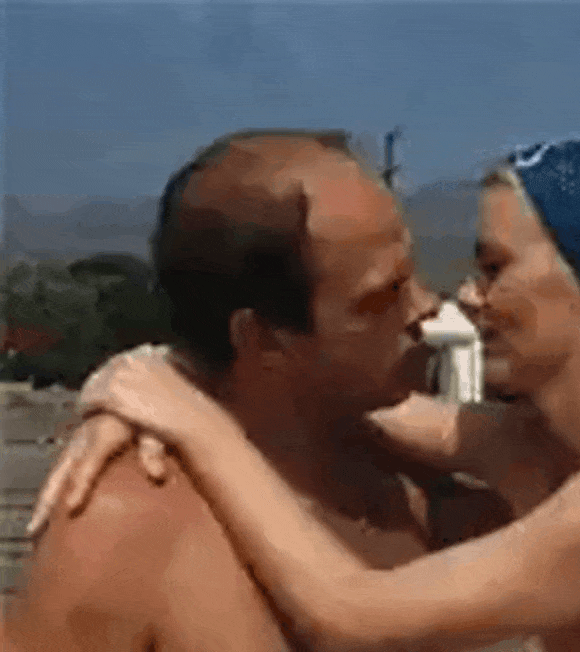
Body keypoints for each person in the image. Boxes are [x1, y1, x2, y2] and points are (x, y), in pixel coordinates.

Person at [29, 132, 580, 651]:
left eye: (493, 267)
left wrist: (190, 418)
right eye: (383, 295)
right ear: (264, 336)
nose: (452, 301)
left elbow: (354, 614)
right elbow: (369, 412)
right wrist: (155, 377)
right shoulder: (545, 453)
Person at [3, 129, 517, 652]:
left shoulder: (422, 492)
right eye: (381, 298)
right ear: (264, 338)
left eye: (413, 275)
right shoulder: (130, 526)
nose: (428, 308)